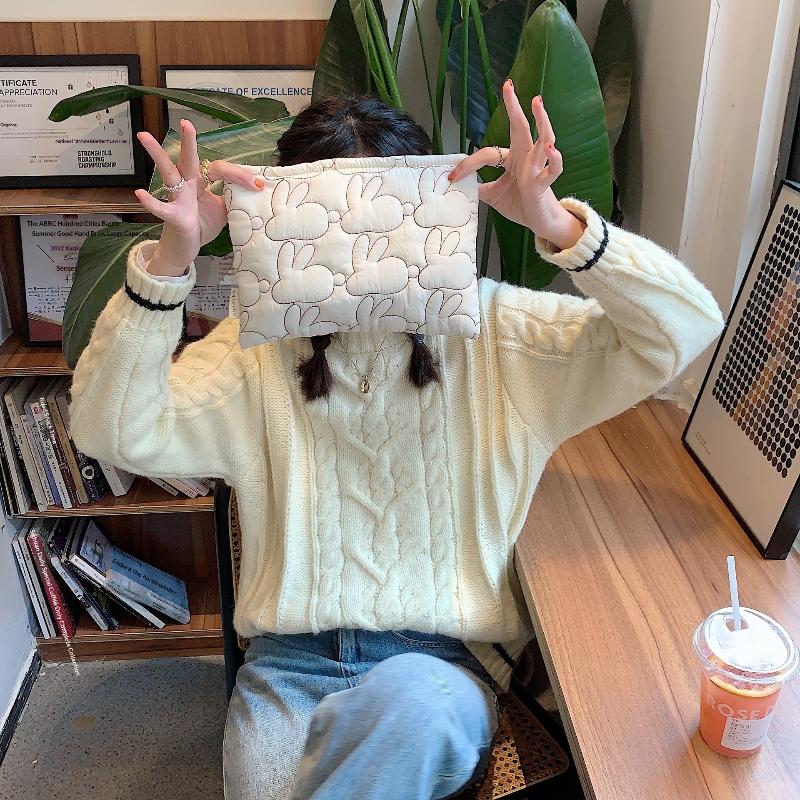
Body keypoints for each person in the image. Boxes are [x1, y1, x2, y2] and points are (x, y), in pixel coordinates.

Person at [67, 80, 725, 800]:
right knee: (269, 781)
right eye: (329, 218)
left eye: (384, 214)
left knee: (413, 705)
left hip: (441, 669)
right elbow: (108, 428)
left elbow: (686, 328)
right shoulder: (253, 356)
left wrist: (558, 225)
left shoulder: (499, 338)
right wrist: (169, 265)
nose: (358, 243)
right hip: (290, 671)